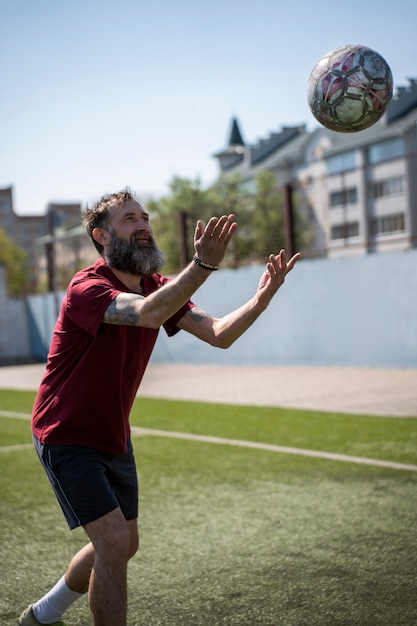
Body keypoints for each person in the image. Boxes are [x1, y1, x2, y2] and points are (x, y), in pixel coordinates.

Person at [18, 188, 300, 626]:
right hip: (66, 432)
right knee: (112, 542)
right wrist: (203, 264)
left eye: (145, 216)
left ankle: (44, 613)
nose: (144, 224)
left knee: (124, 543)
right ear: (103, 236)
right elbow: (147, 314)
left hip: (113, 433)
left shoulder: (157, 287)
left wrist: (260, 299)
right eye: (130, 218)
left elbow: (219, 333)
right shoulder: (87, 288)